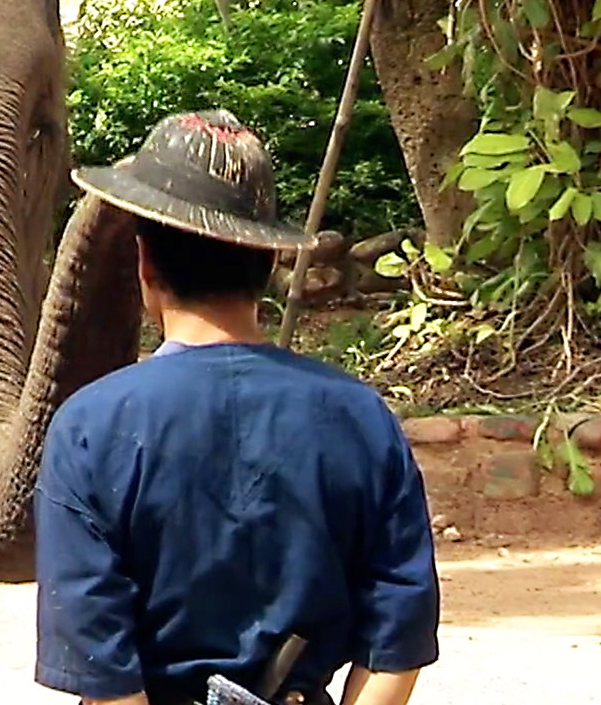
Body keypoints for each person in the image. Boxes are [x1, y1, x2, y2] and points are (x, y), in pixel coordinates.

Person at [34, 109, 440, 705]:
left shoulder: (89, 429)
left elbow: (103, 670)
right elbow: (396, 644)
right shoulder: (360, 417)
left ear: (144, 265)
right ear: (270, 261)